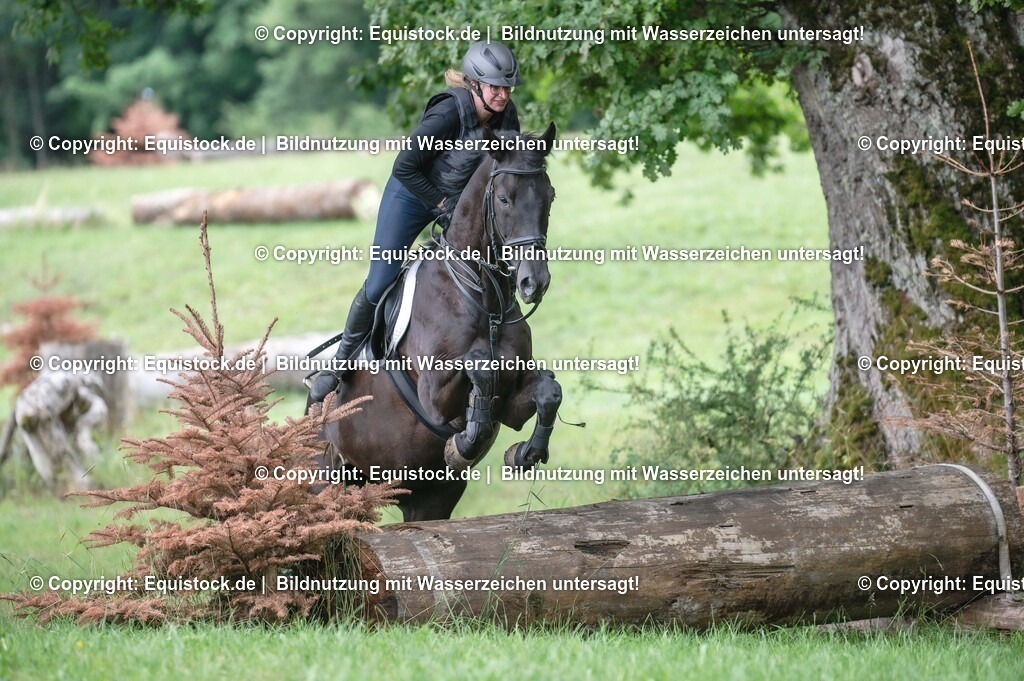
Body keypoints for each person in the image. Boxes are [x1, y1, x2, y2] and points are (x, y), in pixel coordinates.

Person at [308, 41, 522, 402]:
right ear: (474, 84)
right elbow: (404, 167)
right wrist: (441, 204)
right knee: (379, 284)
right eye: (495, 87)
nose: (503, 95)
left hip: (455, 203)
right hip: (410, 197)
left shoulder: (507, 117)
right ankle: (339, 365)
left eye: (507, 87)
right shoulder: (447, 114)